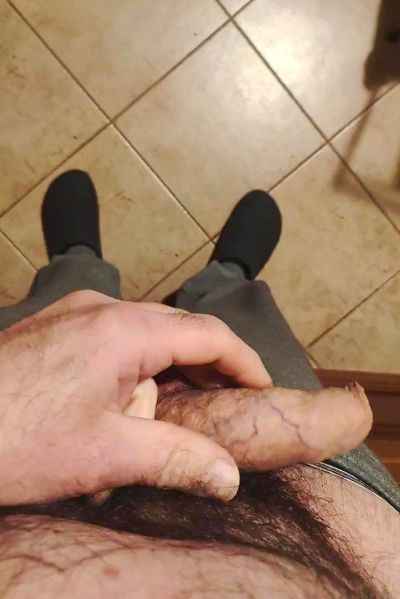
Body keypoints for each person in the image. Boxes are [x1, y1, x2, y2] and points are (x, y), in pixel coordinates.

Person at [0, 170, 398, 599]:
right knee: (250, 331)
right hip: (339, 511)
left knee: (59, 323)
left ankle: (75, 266)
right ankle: (227, 279)